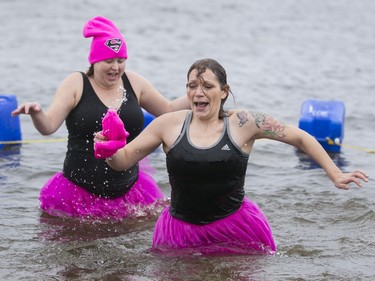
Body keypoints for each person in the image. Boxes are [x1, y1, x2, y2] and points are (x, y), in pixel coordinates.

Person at [94, 58, 369, 255]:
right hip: (180, 228)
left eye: (207, 86)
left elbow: (299, 136)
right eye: (192, 86)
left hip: (235, 226)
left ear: (224, 92)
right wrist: (108, 150)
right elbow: (124, 160)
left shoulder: (244, 123)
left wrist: (335, 173)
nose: (198, 92)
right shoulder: (168, 124)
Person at [11, 16, 190, 220]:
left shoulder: (134, 82)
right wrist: (37, 113)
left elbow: (167, 109)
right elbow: (49, 126)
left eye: (120, 61)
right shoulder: (76, 83)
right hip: (78, 192)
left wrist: (196, 94)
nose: (115, 67)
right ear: (95, 60)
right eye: (109, 61)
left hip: (130, 190)